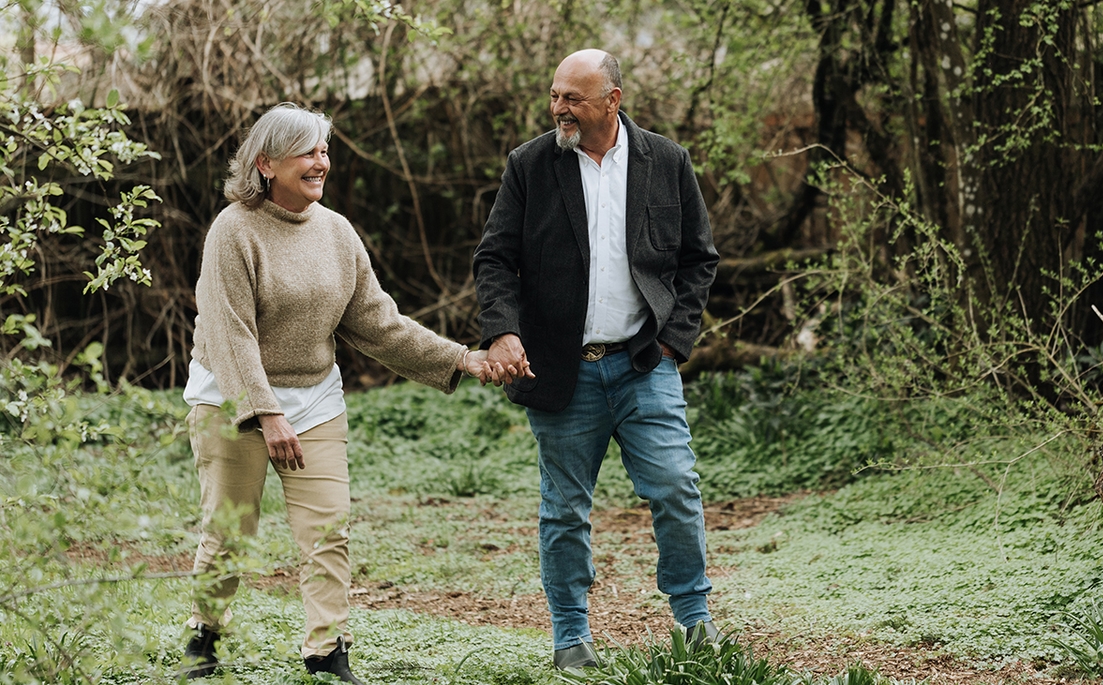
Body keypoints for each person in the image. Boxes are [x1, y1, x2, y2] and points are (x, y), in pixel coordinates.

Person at [178, 103, 495, 684]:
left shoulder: (336, 231)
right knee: (230, 530)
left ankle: (327, 654)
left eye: (325, 150)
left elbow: (378, 323)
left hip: (316, 398)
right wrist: (267, 414)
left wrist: (461, 358)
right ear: (266, 163)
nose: (322, 162)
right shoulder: (233, 231)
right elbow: (231, 333)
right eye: (308, 152)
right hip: (233, 400)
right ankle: (205, 635)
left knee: (328, 531)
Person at [473, 49, 722, 669]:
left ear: (613, 99)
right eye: (555, 95)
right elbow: (495, 259)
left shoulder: (667, 160)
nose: (559, 108)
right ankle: (571, 638)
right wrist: (502, 332)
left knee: (676, 488)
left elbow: (699, 258)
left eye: (573, 99)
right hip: (560, 370)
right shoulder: (530, 165)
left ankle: (695, 622)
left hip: (644, 362)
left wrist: (672, 340)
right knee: (564, 511)